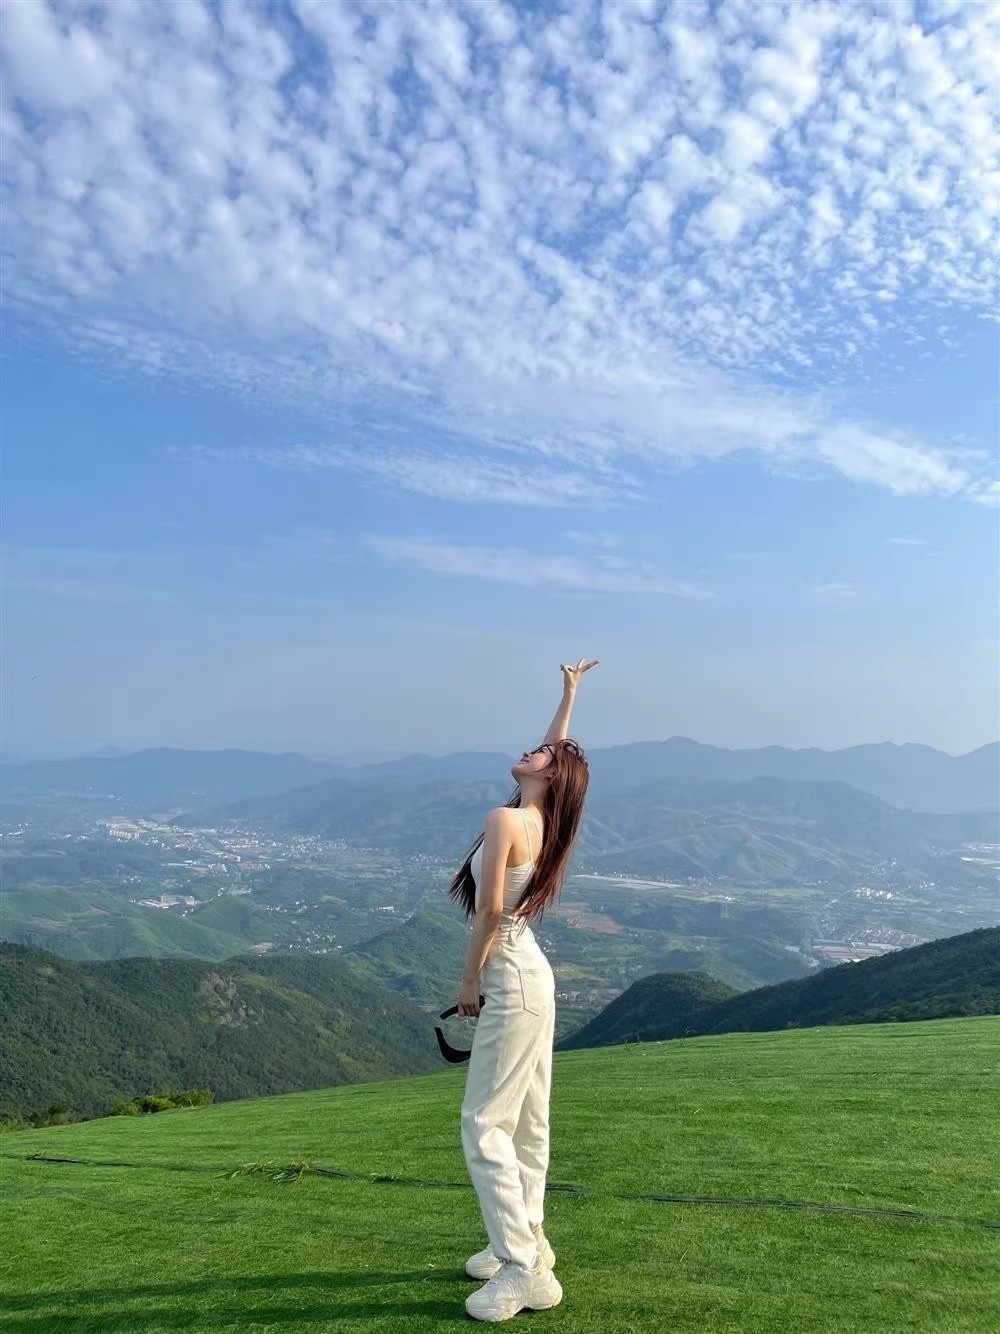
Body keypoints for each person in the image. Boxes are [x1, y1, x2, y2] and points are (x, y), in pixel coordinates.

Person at [449, 658, 598, 1323]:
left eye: (540, 754)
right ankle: (528, 1237)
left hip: (509, 973)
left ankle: (522, 1268)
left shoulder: (506, 820)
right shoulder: (541, 821)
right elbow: (556, 754)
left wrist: (468, 979)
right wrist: (568, 695)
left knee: (483, 1124)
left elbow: (488, 913)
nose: (531, 750)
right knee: (529, 1122)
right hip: (535, 974)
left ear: (549, 776)